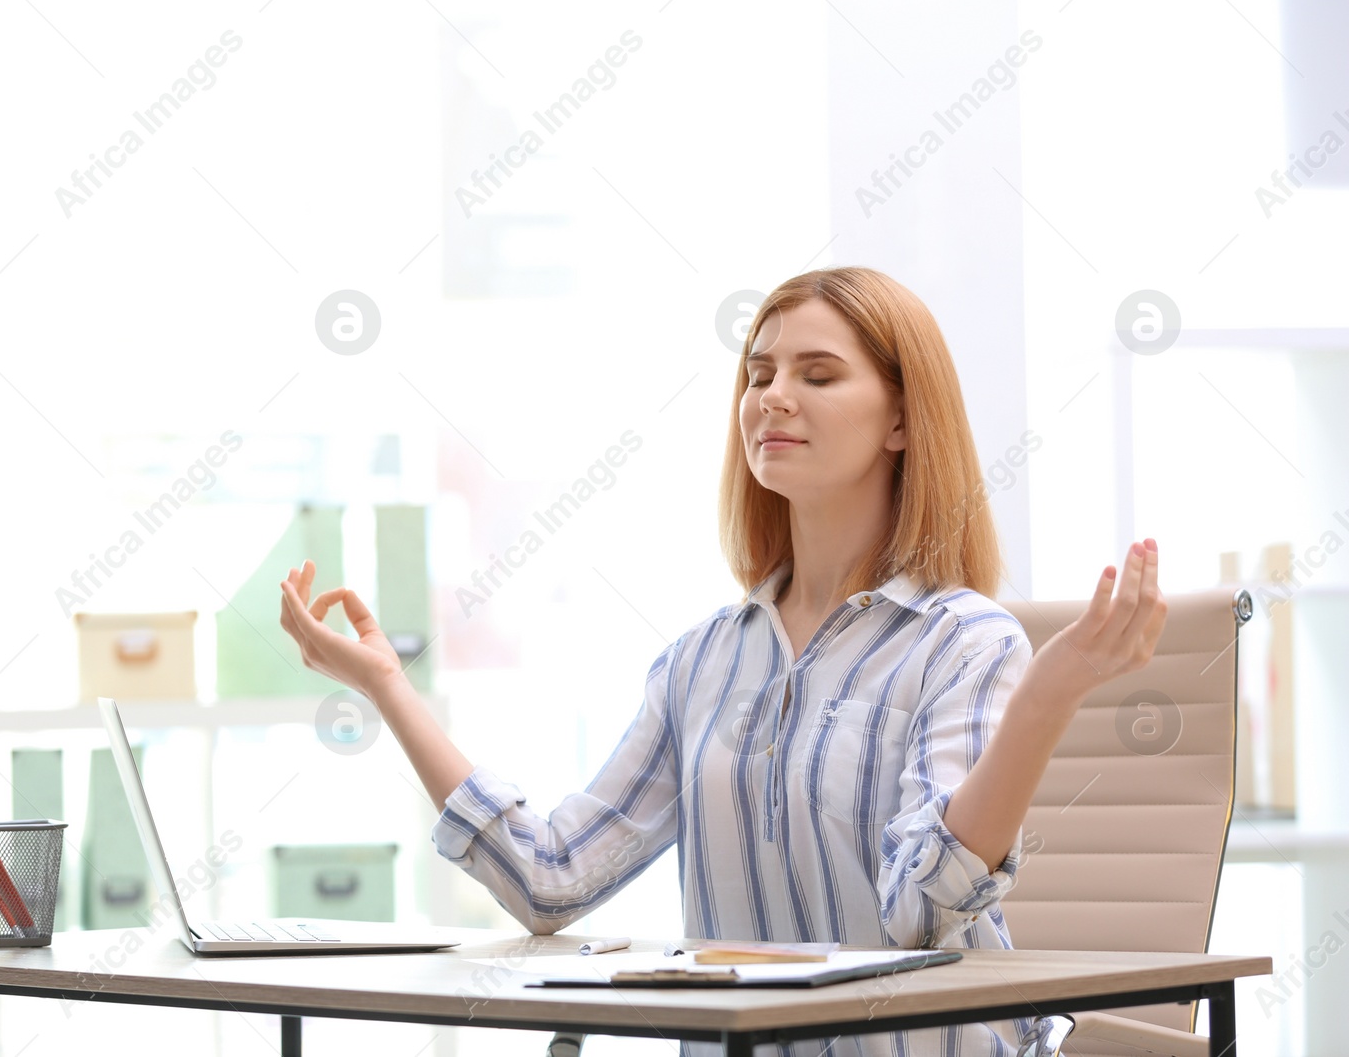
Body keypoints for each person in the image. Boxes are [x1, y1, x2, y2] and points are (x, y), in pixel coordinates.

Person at [275, 266, 1167, 1056]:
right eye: (759, 373)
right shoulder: (700, 661)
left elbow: (920, 914)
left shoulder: (963, 641)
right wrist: (386, 686)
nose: (773, 395)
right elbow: (552, 880)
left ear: (902, 419)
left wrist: (1045, 700)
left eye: (818, 374)